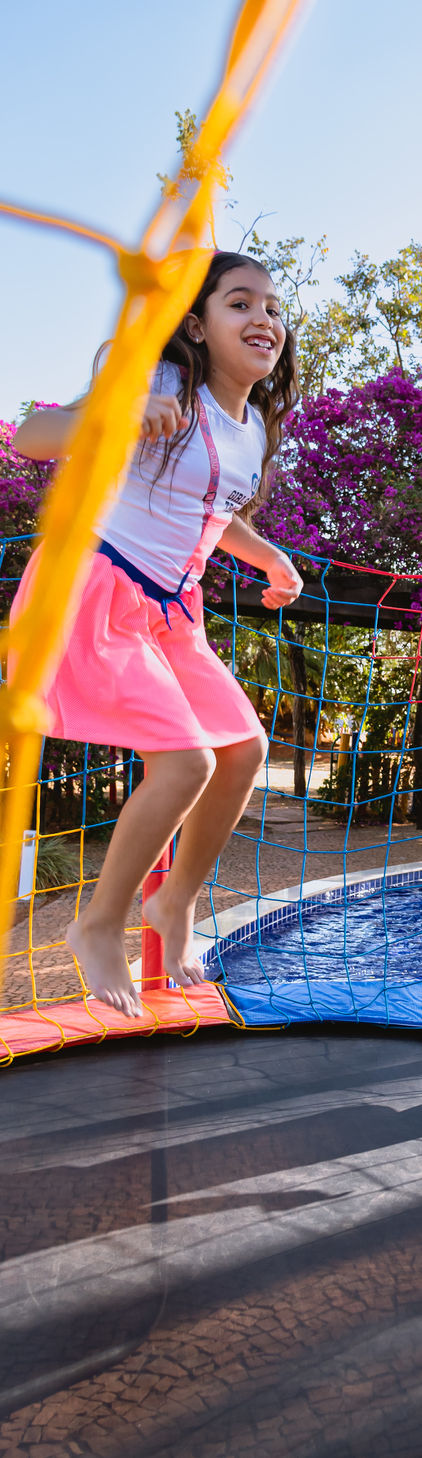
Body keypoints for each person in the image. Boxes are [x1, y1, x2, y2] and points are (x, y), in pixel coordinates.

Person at [12, 251, 303, 1019]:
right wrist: (116, 416)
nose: (262, 320)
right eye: (239, 304)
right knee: (184, 762)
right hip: (97, 587)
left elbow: (214, 514)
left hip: (170, 612)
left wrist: (267, 553)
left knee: (243, 750)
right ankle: (98, 923)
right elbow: (34, 437)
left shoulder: (248, 432)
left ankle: (173, 903)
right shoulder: (167, 384)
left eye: (272, 308)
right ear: (199, 327)